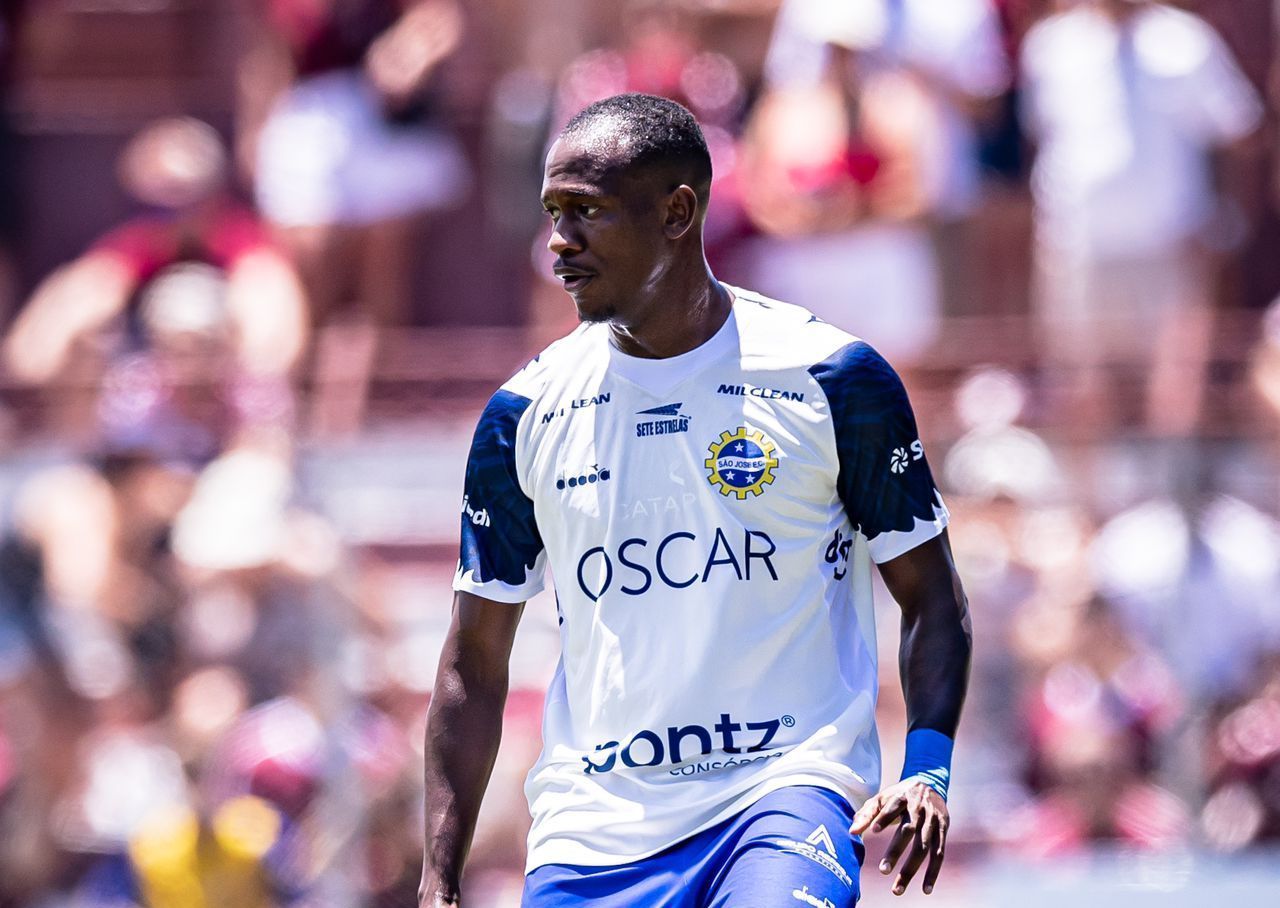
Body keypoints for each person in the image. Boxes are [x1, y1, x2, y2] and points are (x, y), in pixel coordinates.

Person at [419, 94, 972, 907]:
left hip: (782, 793)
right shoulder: (524, 414)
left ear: (678, 213)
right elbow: (473, 661)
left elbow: (931, 593)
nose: (559, 243)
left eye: (587, 213)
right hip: (594, 829)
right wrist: (438, 880)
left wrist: (927, 770)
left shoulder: (832, 377)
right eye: (552, 214)